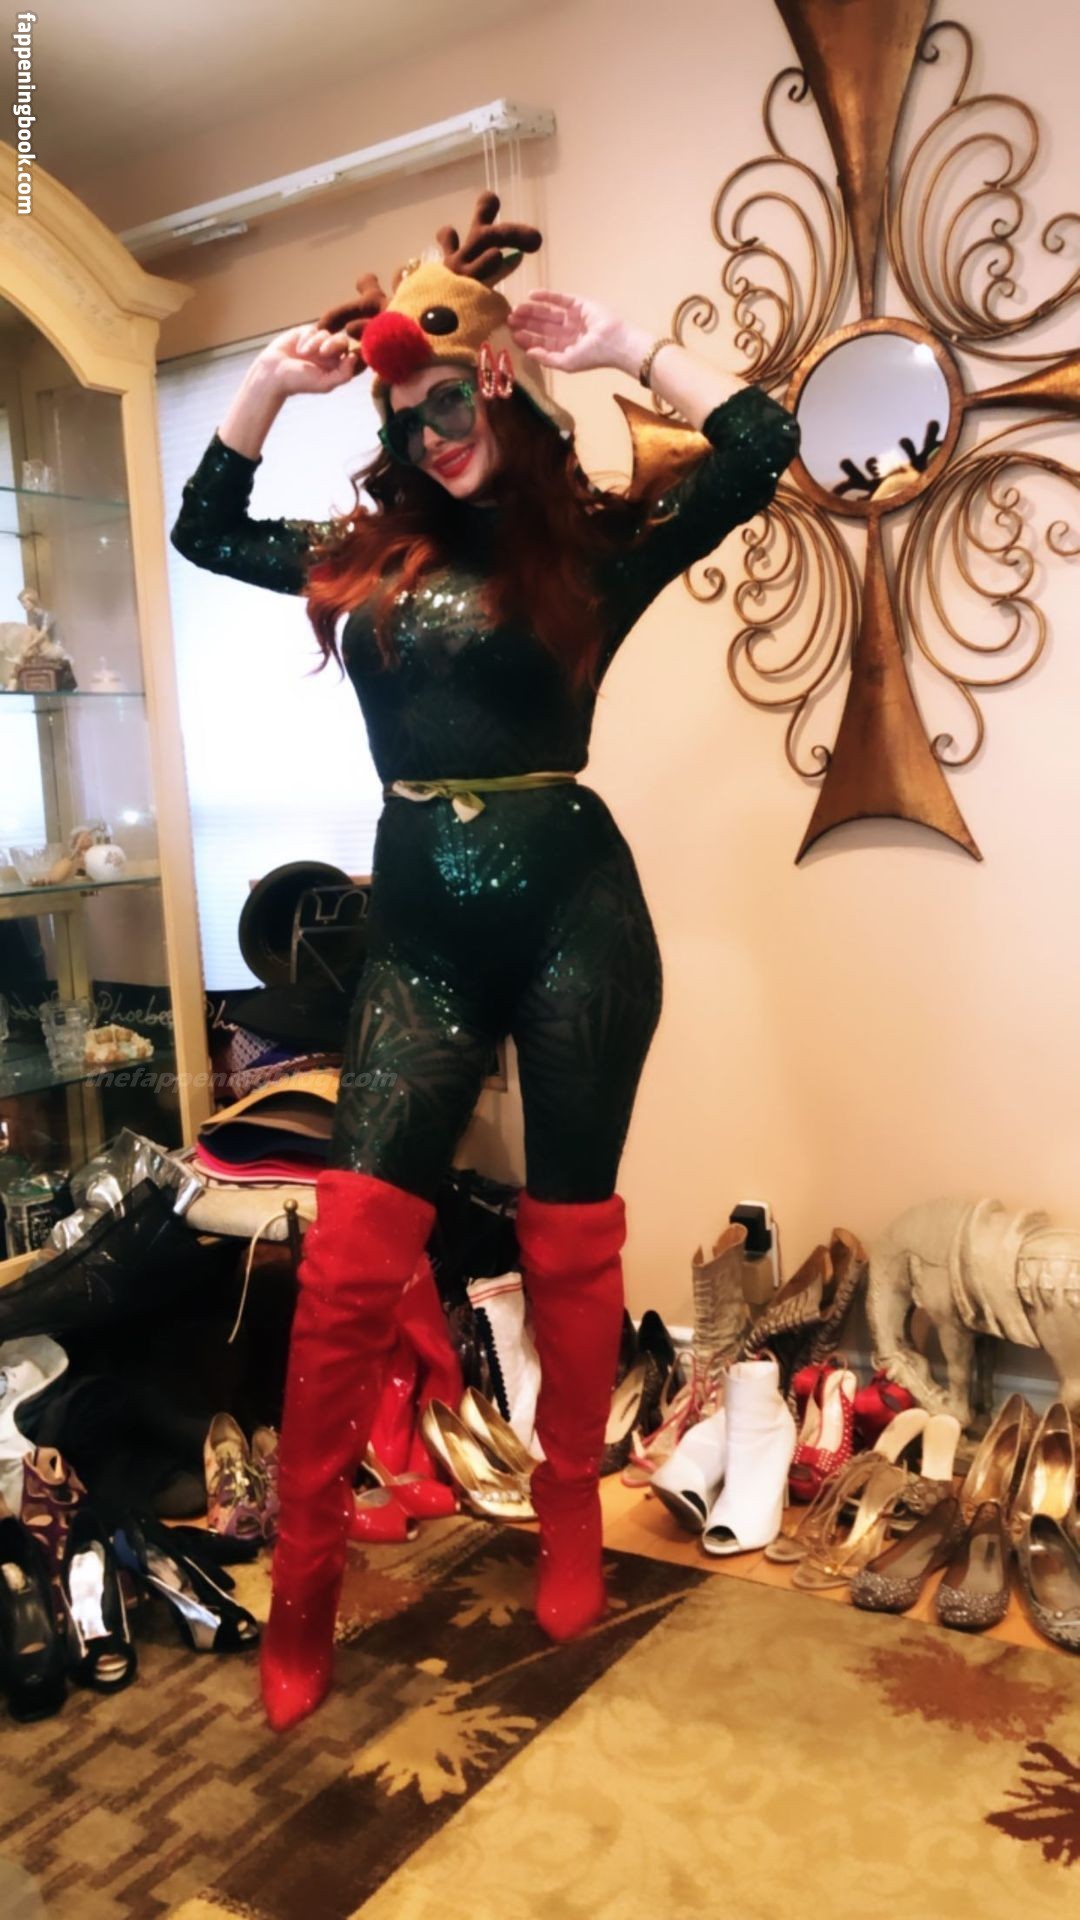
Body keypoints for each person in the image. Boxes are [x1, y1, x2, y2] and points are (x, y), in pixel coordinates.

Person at [170, 191, 801, 1730]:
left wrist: (633, 344)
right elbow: (204, 529)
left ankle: (569, 1506)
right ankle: (305, 1579)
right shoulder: (362, 556)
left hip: (579, 913)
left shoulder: (593, 547)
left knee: (571, 1235)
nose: (430, 435)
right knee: (350, 1254)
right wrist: (268, 386)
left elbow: (760, 449)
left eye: (447, 403)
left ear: (500, 381)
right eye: (405, 417)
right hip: (425, 934)